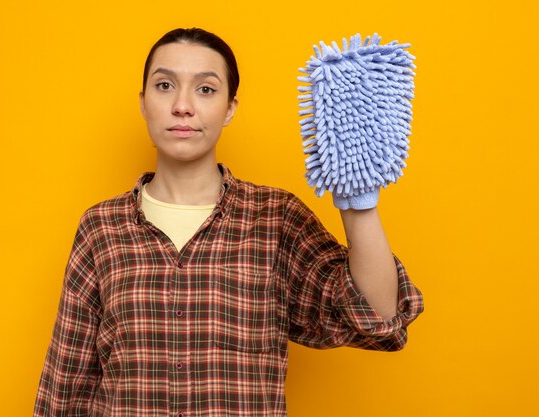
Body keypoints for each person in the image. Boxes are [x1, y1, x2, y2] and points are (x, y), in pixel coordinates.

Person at [34, 28, 423, 417]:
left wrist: (359, 201)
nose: (182, 106)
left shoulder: (276, 218)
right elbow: (67, 384)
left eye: (206, 90)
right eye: (165, 85)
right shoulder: (101, 227)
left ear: (230, 108)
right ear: (143, 102)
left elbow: (377, 319)